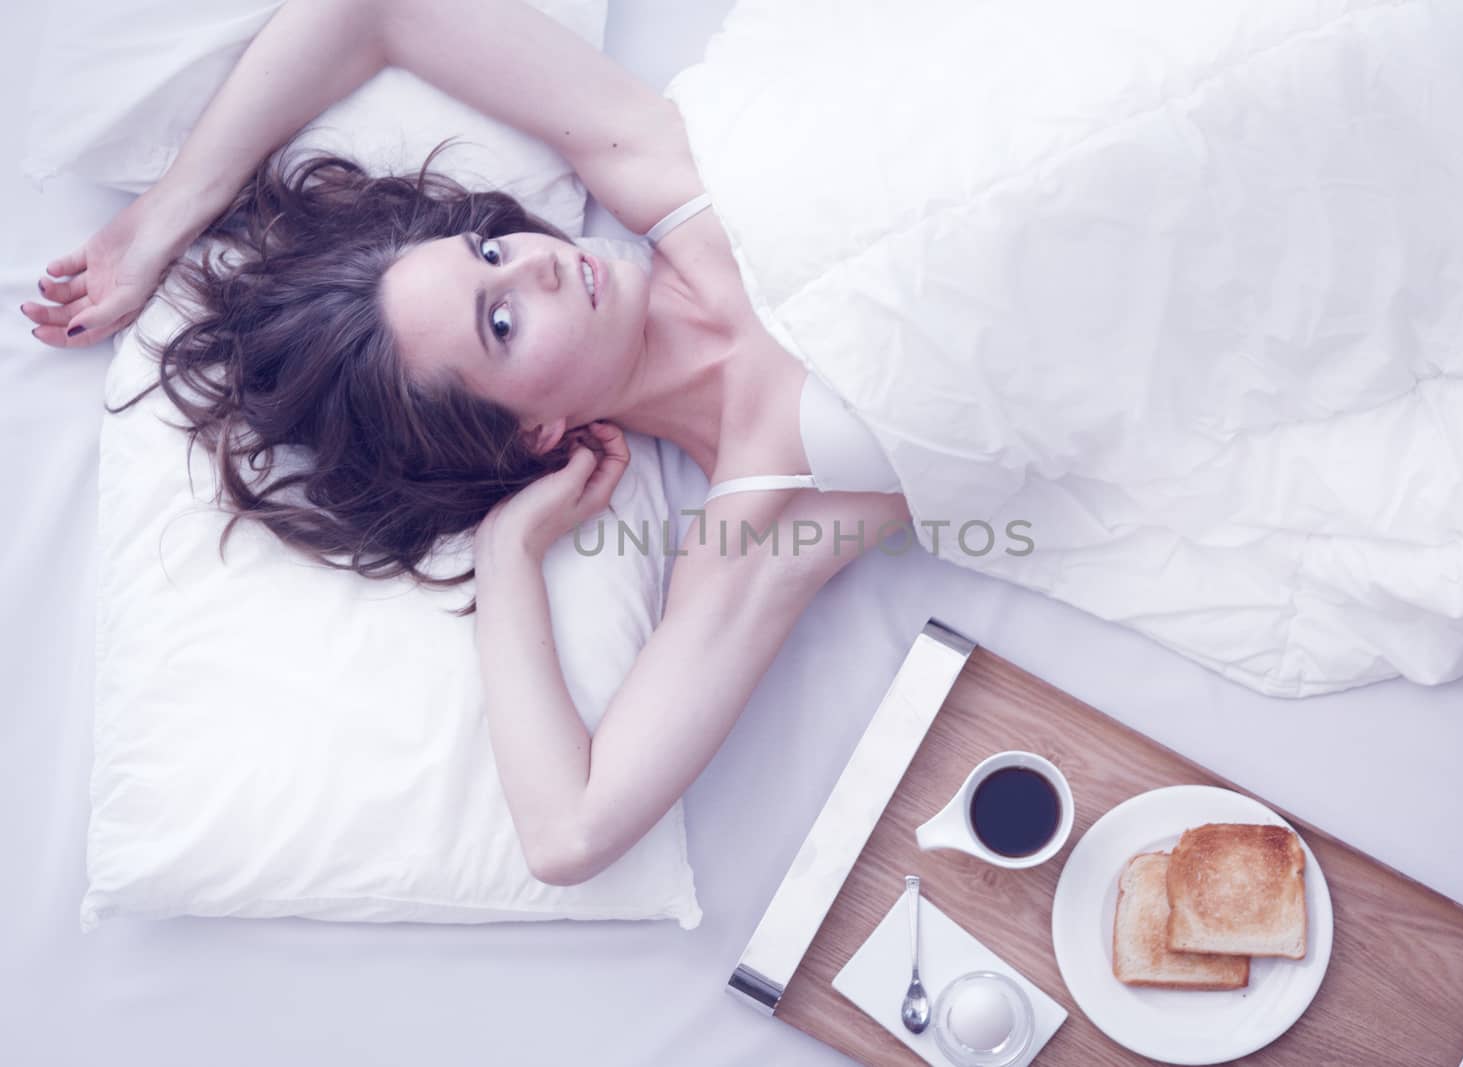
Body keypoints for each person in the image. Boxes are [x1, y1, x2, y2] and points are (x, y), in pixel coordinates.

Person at [19, 0, 914, 886]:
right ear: (533, 431)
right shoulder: (767, 515)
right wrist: (509, 553)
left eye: (487, 253)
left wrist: (162, 221)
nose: (539, 262)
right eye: (501, 321)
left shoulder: (653, 165)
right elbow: (567, 832)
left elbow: (376, 8)